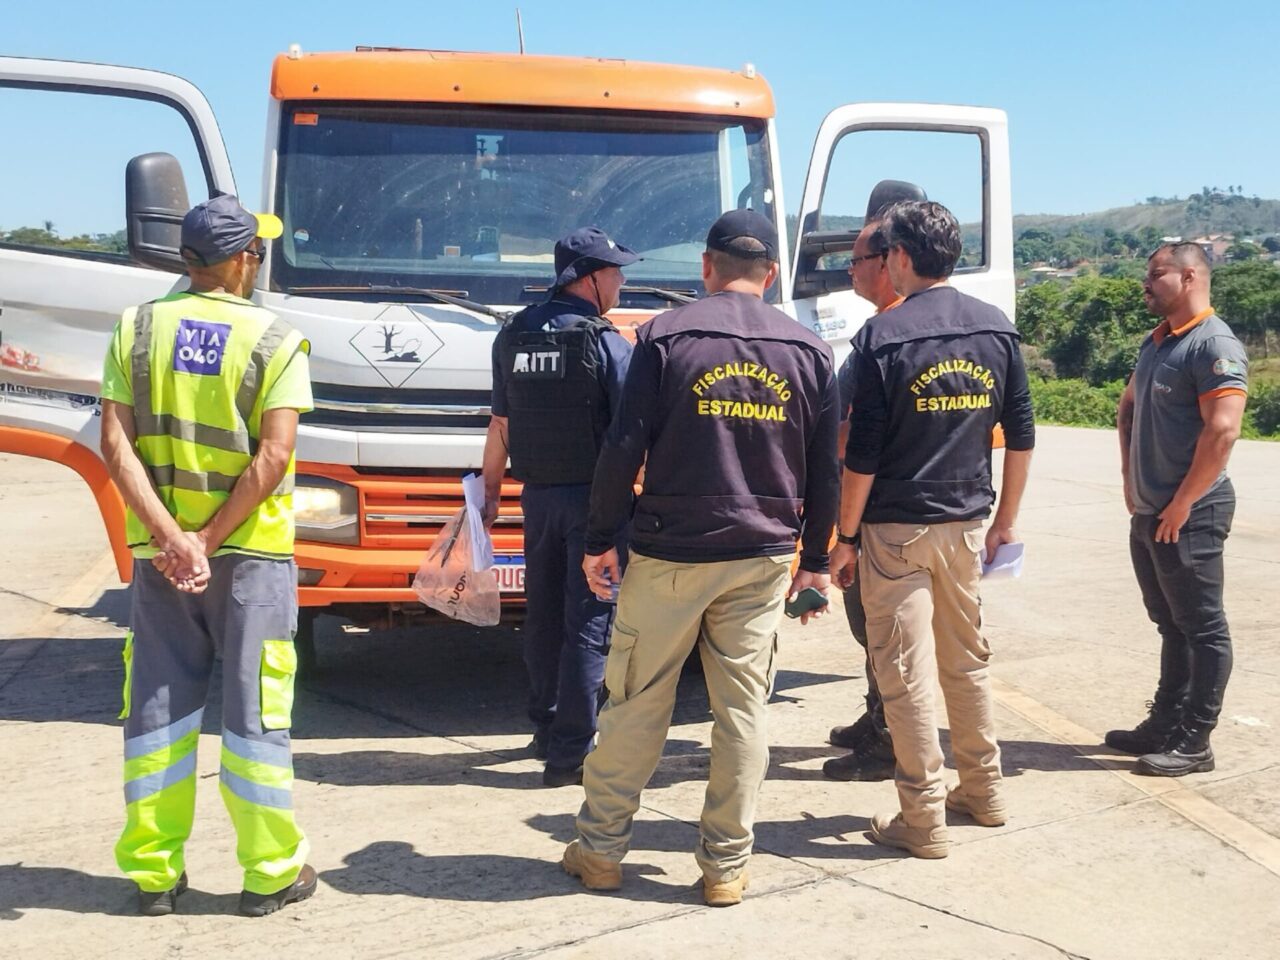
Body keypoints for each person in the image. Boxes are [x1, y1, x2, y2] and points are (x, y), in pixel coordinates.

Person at [560, 209, 840, 907]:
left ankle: (600, 852)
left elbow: (622, 447)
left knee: (635, 702)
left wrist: (599, 539)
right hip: (763, 555)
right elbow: (824, 470)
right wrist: (814, 558)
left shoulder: (663, 337)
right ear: (770, 274)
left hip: (670, 551)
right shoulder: (809, 350)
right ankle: (725, 868)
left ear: (707, 267)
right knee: (742, 712)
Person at [100, 194, 316, 916]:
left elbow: (115, 446)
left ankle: (154, 874)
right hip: (251, 558)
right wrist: (208, 540)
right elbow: (274, 456)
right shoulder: (276, 339)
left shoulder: (134, 329)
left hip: (162, 564)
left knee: (157, 715)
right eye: (257, 251)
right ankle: (269, 873)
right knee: (255, 718)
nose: (259, 262)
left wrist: (172, 538)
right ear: (239, 261)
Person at [830, 200, 1035, 859]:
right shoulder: (995, 327)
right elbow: (1021, 435)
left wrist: (845, 537)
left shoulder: (884, 336)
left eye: (885, 252)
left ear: (900, 257)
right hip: (967, 524)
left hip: (896, 529)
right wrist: (1005, 521)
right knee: (966, 663)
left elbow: (862, 454)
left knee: (903, 672)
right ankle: (983, 790)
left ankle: (922, 817)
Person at [482, 227, 637, 787]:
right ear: (589, 279)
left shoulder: (513, 334)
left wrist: (489, 493)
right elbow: (632, 433)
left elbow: (501, 423)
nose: (620, 284)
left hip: (537, 500)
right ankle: (570, 754)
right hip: (595, 504)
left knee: (543, 616)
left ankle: (547, 728)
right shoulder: (606, 342)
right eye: (615, 273)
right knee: (590, 621)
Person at [1107, 242, 1247, 776]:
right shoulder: (1158, 341)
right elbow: (1127, 407)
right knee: (1170, 624)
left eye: (1155, 273)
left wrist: (1182, 503)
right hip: (1152, 511)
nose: (1145, 283)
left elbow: (1224, 430)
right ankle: (1164, 723)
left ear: (1189, 277)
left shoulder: (1213, 344)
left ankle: (1195, 740)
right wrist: (1130, 478)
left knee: (1204, 629)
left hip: (1192, 513)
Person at [823, 209, 906, 783]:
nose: (848, 270)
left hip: (878, 509)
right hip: (863, 503)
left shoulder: (892, 334)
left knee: (883, 628)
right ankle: (878, 714)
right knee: (870, 627)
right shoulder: (879, 328)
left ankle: (888, 739)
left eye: (855, 260)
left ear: (887, 262)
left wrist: (819, 441)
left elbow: (866, 430)